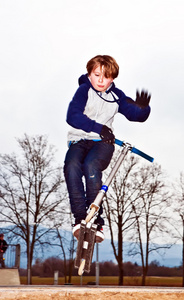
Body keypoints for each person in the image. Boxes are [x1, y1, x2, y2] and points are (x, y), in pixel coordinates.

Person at [64, 55, 151, 243]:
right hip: (79, 140)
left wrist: (143, 108)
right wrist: (98, 127)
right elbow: (72, 116)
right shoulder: (84, 90)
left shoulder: (116, 95)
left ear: (112, 78)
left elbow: (134, 114)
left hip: (103, 144)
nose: (101, 80)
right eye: (97, 75)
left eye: (106, 76)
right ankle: (80, 218)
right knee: (71, 166)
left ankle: (96, 219)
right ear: (89, 74)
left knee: (91, 166)